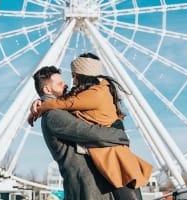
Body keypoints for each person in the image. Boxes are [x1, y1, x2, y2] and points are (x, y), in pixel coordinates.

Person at [29, 53, 153, 199]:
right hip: (86, 187)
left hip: (96, 183)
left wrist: (40, 103)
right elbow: (93, 133)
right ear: (47, 90)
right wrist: (120, 134)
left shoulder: (63, 107)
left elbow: (73, 103)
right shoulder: (54, 115)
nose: (67, 84)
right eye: (60, 84)